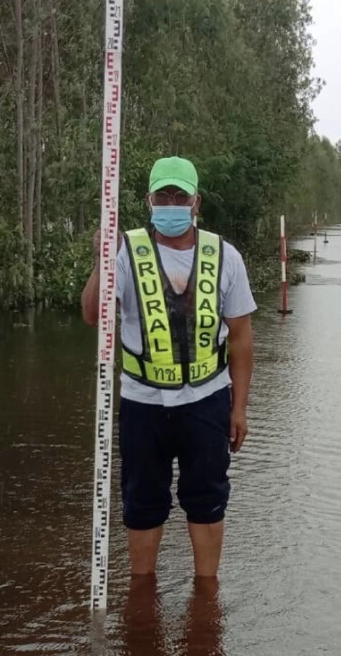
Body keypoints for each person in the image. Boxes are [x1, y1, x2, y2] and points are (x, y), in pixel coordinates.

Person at [81, 156, 256, 578]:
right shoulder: (126, 251)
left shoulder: (224, 255)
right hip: (143, 403)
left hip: (207, 399)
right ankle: (142, 599)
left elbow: (241, 337)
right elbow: (93, 316)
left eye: (181, 196)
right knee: (142, 502)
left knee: (208, 498)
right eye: (164, 195)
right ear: (149, 199)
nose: (172, 203)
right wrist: (101, 260)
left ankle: (206, 595)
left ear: (196, 201)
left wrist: (239, 408)